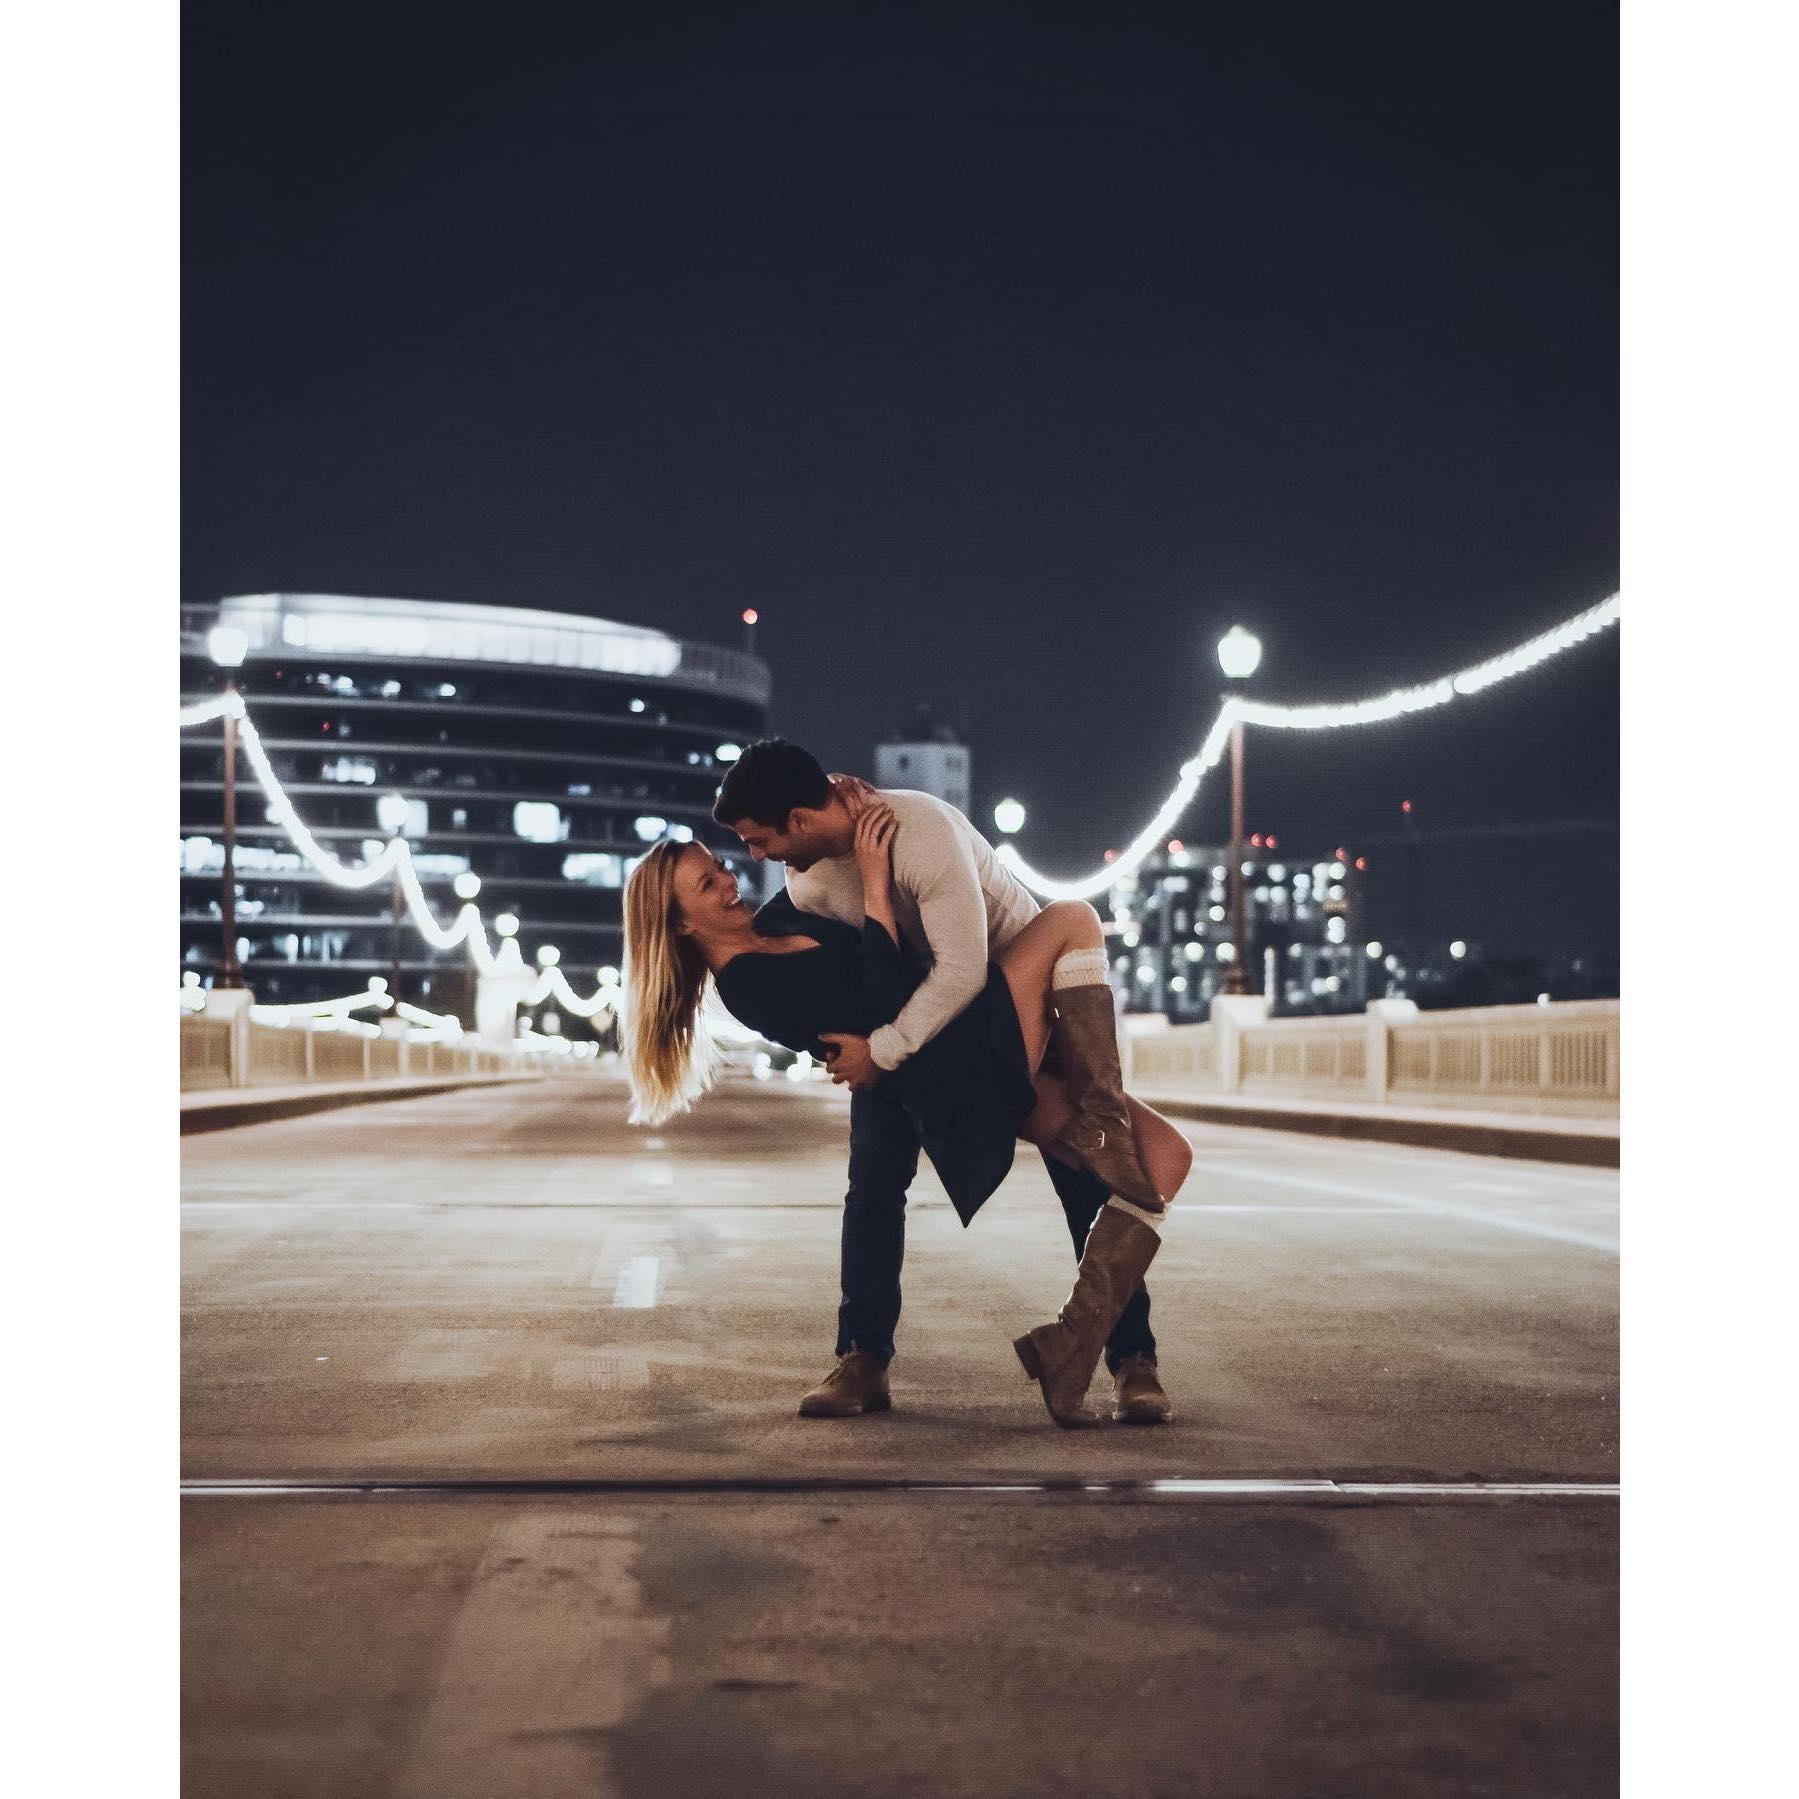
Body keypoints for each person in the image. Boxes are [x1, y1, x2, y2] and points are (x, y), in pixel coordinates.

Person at [623, 739, 1193, 1425]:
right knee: (875, 1187)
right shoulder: (750, 976)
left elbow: (918, 978)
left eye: (739, 849)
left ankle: (1111, 1351)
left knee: (1147, 1161)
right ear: (680, 921)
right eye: (710, 875)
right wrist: (871, 884)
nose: (741, 865)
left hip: (958, 1031)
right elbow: (879, 995)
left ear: (800, 819)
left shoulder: (793, 910)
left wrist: (865, 863)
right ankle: (864, 1356)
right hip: (927, 1057)